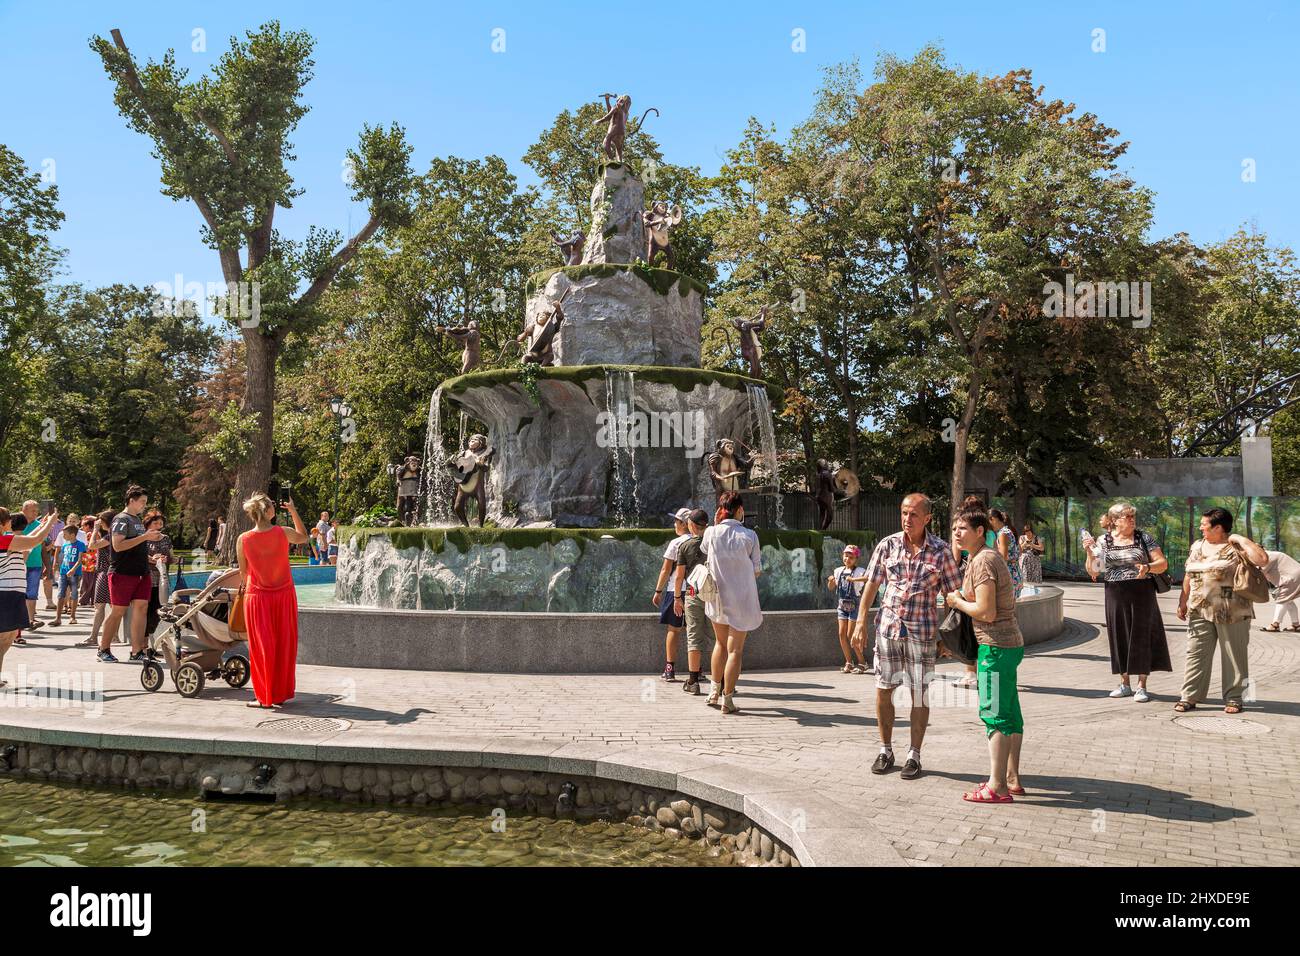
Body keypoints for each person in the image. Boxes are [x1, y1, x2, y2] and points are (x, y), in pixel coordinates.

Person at [852, 493, 962, 780]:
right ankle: (886, 750)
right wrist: (861, 620)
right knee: (883, 688)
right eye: (903, 513)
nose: (907, 519)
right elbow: (872, 586)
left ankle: (914, 754)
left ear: (927, 518)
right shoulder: (887, 546)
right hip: (888, 629)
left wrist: (948, 638)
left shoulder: (941, 551)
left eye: (913, 514)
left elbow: (954, 596)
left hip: (922, 633)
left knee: (919, 695)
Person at [945, 505, 1026, 803]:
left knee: (995, 715)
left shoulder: (982, 561)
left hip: (994, 646)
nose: (956, 532)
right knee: (1011, 714)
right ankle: (1011, 779)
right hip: (1008, 644)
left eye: (962, 528)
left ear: (981, 532)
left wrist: (956, 601)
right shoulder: (982, 557)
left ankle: (997, 787)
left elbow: (986, 611)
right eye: (954, 528)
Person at [1174, 509, 1269, 715]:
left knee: (1235, 656)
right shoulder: (1197, 546)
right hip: (1199, 609)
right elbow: (1189, 574)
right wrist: (1183, 601)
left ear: (1218, 528)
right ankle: (1189, 696)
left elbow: (1262, 560)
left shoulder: (1236, 547)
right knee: (1195, 654)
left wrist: (1241, 539)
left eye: (1204, 525)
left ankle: (1236, 699)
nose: (1201, 528)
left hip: (1233, 612)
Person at [1087, 501, 1171, 702]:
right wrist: (1090, 552)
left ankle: (1142, 685)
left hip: (1142, 591)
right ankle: (1124, 683)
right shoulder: (1104, 540)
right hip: (1115, 592)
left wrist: (1148, 568)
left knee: (1142, 635)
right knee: (1119, 635)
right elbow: (1095, 570)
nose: (1132, 519)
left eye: (1133, 516)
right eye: (1128, 516)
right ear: (1115, 521)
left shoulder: (1143, 537)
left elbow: (1162, 563)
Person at [237, 492, 308, 708]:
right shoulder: (283, 532)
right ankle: (280, 693)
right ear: (269, 511)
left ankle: (264, 697)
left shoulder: (243, 539)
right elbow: (304, 536)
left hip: (257, 598)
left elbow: (243, 572)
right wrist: (294, 510)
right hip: (284, 595)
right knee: (284, 644)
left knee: (262, 647)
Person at [702, 492, 762, 715]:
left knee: (719, 644)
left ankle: (713, 692)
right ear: (739, 510)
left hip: (717, 597)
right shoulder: (750, 536)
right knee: (735, 649)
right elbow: (757, 570)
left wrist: (716, 524)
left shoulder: (711, 532)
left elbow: (705, 551)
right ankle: (728, 698)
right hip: (742, 599)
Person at [100, 486, 161, 664]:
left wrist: (151, 555)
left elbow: (136, 546)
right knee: (118, 611)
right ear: (131, 500)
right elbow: (118, 545)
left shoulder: (136, 520)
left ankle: (137, 650)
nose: (144, 505)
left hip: (141, 572)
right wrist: (144, 537)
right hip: (122, 572)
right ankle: (103, 648)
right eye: (142, 502)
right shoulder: (121, 519)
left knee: (141, 609)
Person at [0, 507, 57, 681]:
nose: (12, 522)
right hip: (6, 593)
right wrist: (50, 524)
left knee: (8, 636)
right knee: (4, 637)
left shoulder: (8, 540)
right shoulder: (4, 540)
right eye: (9, 519)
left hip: (13, 592)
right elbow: (35, 540)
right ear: (3, 523)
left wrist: (45, 523)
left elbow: (31, 538)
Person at [672, 508, 713, 695]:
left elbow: (679, 576)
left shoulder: (685, 546)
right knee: (717, 638)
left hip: (693, 594)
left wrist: (677, 598)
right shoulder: (714, 544)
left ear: (691, 525)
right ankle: (721, 681)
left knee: (694, 637)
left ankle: (693, 681)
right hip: (714, 595)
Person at [654, 508, 693, 681]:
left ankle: (669, 668)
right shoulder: (700, 541)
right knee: (694, 630)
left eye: (676, 521)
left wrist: (658, 591)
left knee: (674, 629)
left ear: (684, 524)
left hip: (675, 591)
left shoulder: (676, 543)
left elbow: (666, 569)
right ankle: (696, 670)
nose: (674, 524)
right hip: (695, 591)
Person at [828, 544, 871, 673]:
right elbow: (831, 587)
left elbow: (868, 578)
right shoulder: (838, 571)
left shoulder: (859, 571)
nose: (847, 558)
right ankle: (848, 661)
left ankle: (862, 663)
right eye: (846, 555)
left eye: (851, 556)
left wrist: (853, 579)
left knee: (851, 635)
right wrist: (830, 581)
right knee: (841, 634)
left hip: (854, 605)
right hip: (842, 605)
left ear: (856, 558)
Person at [142, 511, 174, 638]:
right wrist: (151, 558)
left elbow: (172, 557)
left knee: (158, 610)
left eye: (161, 523)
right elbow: (137, 555)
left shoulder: (166, 538)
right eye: (155, 523)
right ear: (148, 524)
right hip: (146, 578)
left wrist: (168, 559)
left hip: (161, 580)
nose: (158, 526)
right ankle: (143, 642)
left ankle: (151, 639)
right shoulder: (142, 537)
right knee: (145, 609)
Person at [18, 500, 46, 633]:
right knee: (18, 593)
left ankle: (30, 620)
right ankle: (19, 621)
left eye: (37, 511)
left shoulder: (40, 525)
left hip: (35, 564)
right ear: (24, 510)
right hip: (18, 564)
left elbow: (44, 548)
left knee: (32, 593)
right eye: (33, 511)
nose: (36, 513)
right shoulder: (15, 523)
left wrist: (49, 566)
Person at [51, 523, 86, 627]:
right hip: (63, 572)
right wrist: (57, 565)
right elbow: (64, 557)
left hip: (75, 574)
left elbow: (80, 560)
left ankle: (73, 616)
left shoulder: (80, 544)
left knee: (74, 594)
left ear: (72, 534)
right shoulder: (65, 544)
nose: (63, 535)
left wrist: (73, 570)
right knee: (61, 594)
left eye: (65, 534)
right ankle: (57, 618)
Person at [1261, 550, 1300, 632]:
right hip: (1293, 577)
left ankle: (1275, 625)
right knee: (1288, 601)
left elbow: (1259, 573)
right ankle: (1296, 625)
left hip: (1291, 579)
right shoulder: (1269, 555)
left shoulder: (1268, 557)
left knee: (1281, 600)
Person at [989, 509, 1023, 599]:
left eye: (989, 522)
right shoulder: (1006, 531)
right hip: (1015, 572)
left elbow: (1003, 558)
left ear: (993, 519)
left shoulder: (1003, 533)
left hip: (1009, 574)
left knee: (1007, 607)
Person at [77, 515, 99, 616]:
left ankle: (84, 599)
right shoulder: (94, 534)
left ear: (88, 526)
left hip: (90, 561)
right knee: (90, 581)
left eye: (83, 525)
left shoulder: (89, 534)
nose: (82, 527)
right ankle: (90, 600)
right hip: (89, 561)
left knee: (87, 582)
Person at [1018, 521, 1044, 585]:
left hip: (1035, 561)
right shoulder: (1022, 537)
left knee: (1035, 577)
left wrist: (1033, 545)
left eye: (1029, 532)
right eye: (1026, 532)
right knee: (1025, 576)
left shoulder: (1037, 538)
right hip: (1025, 561)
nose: (1028, 534)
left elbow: (1042, 548)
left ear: (1032, 531)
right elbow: (1020, 548)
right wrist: (1025, 543)